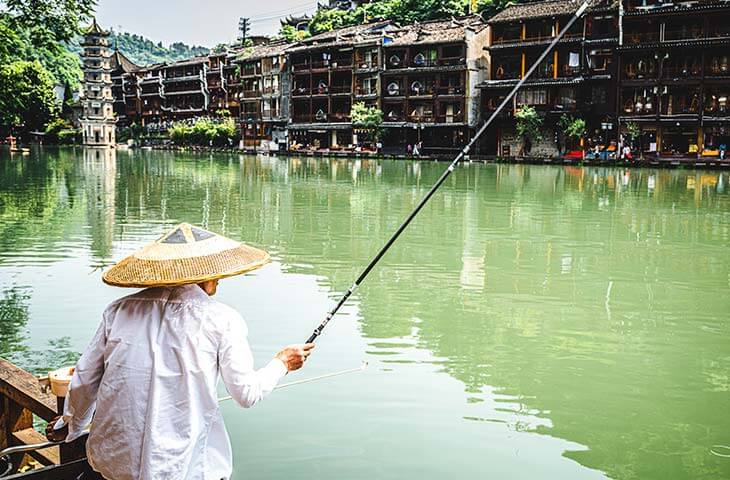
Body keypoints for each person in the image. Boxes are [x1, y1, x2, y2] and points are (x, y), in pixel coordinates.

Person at [46, 223, 314, 480]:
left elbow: (85, 380)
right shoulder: (222, 319)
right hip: (183, 468)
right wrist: (282, 363)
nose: (218, 281)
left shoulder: (119, 310)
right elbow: (246, 394)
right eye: (214, 273)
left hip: (113, 465)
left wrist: (69, 426)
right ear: (204, 275)